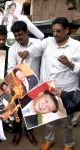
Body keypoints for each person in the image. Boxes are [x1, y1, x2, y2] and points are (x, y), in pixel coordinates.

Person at [27, 17, 80, 150]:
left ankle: (69, 144)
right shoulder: (48, 41)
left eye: (59, 31)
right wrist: (27, 51)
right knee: (47, 118)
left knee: (66, 122)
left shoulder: (76, 46)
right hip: (47, 88)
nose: (55, 34)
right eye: (53, 31)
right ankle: (49, 140)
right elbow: (36, 48)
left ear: (67, 30)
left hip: (65, 90)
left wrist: (70, 64)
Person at [7, 21, 42, 146]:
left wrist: (27, 52)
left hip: (34, 85)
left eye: (20, 35)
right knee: (17, 110)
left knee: (32, 110)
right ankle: (17, 132)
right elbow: (10, 68)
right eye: (15, 36)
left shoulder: (37, 43)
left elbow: (38, 49)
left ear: (27, 32)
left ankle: (29, 131)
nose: (18, 38)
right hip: (18, 85)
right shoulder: (13, 49)